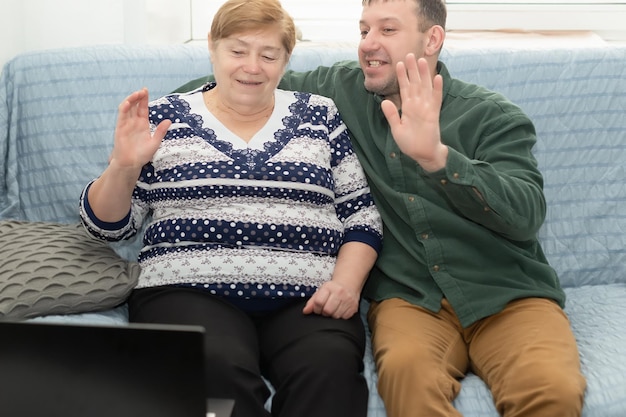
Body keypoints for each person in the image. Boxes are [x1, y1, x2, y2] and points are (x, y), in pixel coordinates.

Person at [177, 0, 587, 416]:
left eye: (387, 31)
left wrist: (438, 158)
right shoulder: (339, 92)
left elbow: (525, 215)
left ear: (432, 39)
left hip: (507, 295)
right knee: (409, 385)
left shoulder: (491, 116)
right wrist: (174, 118)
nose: (369, 44)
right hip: (409, 300)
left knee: (551, 391)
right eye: (363, 31)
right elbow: (248, 80)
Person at [79, 1, 383, 416]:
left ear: (286, 59)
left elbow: (361, 216)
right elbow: (110, 227)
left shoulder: (320, 115)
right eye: (238, 51)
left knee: (328, 370)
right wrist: (124, 167)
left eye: (268, 54)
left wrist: (346, 285)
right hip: (188, 289)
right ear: (212, 47)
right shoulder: (166, 118)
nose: (252, 67)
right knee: (215, 367)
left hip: (309, 298)